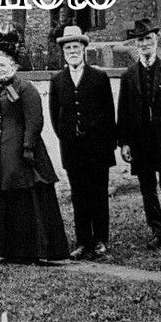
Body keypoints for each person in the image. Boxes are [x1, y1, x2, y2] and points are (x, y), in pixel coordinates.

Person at [0, 30, 70, 263]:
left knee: (24, 200)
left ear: (14, 66)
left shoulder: (26, 88)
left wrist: (27, 147)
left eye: (2, 65)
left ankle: (30, 250)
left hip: (21, 155)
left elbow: (34, 120)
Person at [117, 18, 161, 250]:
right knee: (148, 189)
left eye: (148, 39)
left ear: (155, 41)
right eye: (141, 40)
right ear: (136, 44)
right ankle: (157, 230)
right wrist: (124, 143)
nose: (145, 43)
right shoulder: (129, 76)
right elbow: (124, 112)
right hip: (141, 142)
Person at [49, 25, 117, 259]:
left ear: (84, 49)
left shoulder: (99, 77)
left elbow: (109, 114)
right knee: (79, 196)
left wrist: (107, 144)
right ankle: (82, 241)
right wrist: (68, 139)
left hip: (98, 148)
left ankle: (100, 240)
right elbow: (55, 116)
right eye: (68, 48)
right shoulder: (58, 80)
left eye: (76, 47)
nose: (72, 51)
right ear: (63, 52)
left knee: (98, 194)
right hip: (73, 149)